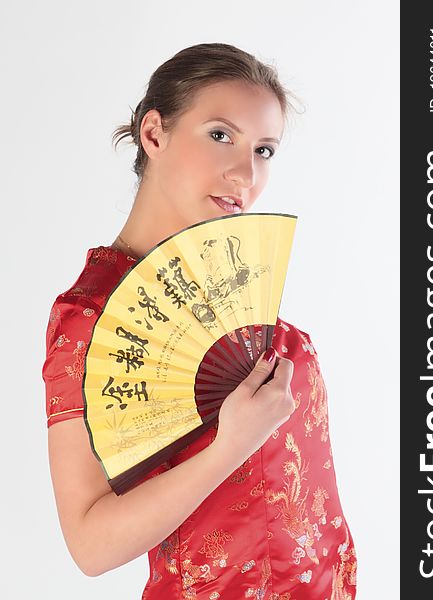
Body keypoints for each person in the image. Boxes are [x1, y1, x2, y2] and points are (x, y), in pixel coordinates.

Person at [42, 42, 357, 599]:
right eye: (220, 135)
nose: (245, 173)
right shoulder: (92, 317)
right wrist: (230, 444)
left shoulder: (235, 290)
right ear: (154, 134)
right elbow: (90, 544)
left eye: (265, 149)